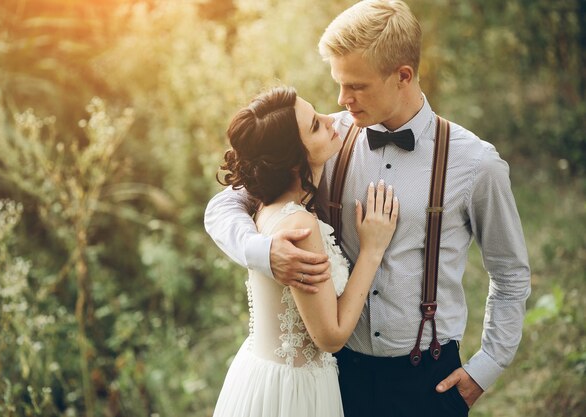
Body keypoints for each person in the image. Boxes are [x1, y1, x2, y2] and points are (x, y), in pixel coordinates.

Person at [205, 1, 531, 417]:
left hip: (427, 380)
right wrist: (263, 252)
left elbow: (510, 272)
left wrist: (486, 367)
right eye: (339, 83)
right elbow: (227, 201)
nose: (342, 100)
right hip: (337, 379)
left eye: (356, 86)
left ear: (403, 76)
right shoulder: (326, 142)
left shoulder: (475, 164)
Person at [210, 86, 398, 417]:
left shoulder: (267, 206)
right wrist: (372, 249)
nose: (330, 120)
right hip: (295, 392)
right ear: (294, 161)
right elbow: (330, 337)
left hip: (260, 376)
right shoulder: (300, 225)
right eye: (314, 125)